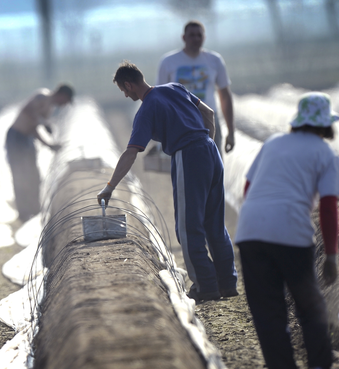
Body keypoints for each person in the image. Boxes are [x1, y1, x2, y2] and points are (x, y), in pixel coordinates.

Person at [97, 61, 237, 302]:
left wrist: (110, 187)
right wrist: (207, 144)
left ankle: (206, 285)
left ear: (129, 84)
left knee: (187, 227)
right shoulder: (174, 88)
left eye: (124, 90)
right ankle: (227, 283)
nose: (126, 94)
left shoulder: (146, 110)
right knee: (215, 224)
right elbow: (209, 113)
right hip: (210, 151)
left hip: (189, 156)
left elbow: (131, 152)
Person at [235, 92, 339, 369]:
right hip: (291, 233)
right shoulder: (325, 154)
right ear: (326, 125)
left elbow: (247, 189)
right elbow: (328, 207)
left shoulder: (273, 144)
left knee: (268, 310)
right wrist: (332, 255)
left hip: (250, 231)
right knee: (309, 304)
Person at [157, 20, 235, 155]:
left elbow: (225, 96)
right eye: (192, 35)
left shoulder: (215, 60)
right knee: (185, 167)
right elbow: (160, 99)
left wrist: (231, 131)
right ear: (184, 37)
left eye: (199, 35)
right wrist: (160, 134)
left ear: (204, 37)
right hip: (180, 121)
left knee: (214, 164)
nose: (196, 39)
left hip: (209, 120)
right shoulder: (168, 62)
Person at [6, 83, 73, 221]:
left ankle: (34, 210)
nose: (64, 104)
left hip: (27, 139)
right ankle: (23, 213)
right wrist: (44, 123)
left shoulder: (49, 109)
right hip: (16, 137)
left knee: (33, 175)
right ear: (62, 95)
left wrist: (50, 144)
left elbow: (34, 129)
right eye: (65, 101)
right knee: (20, 175)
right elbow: (30, 112)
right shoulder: (42, 96)